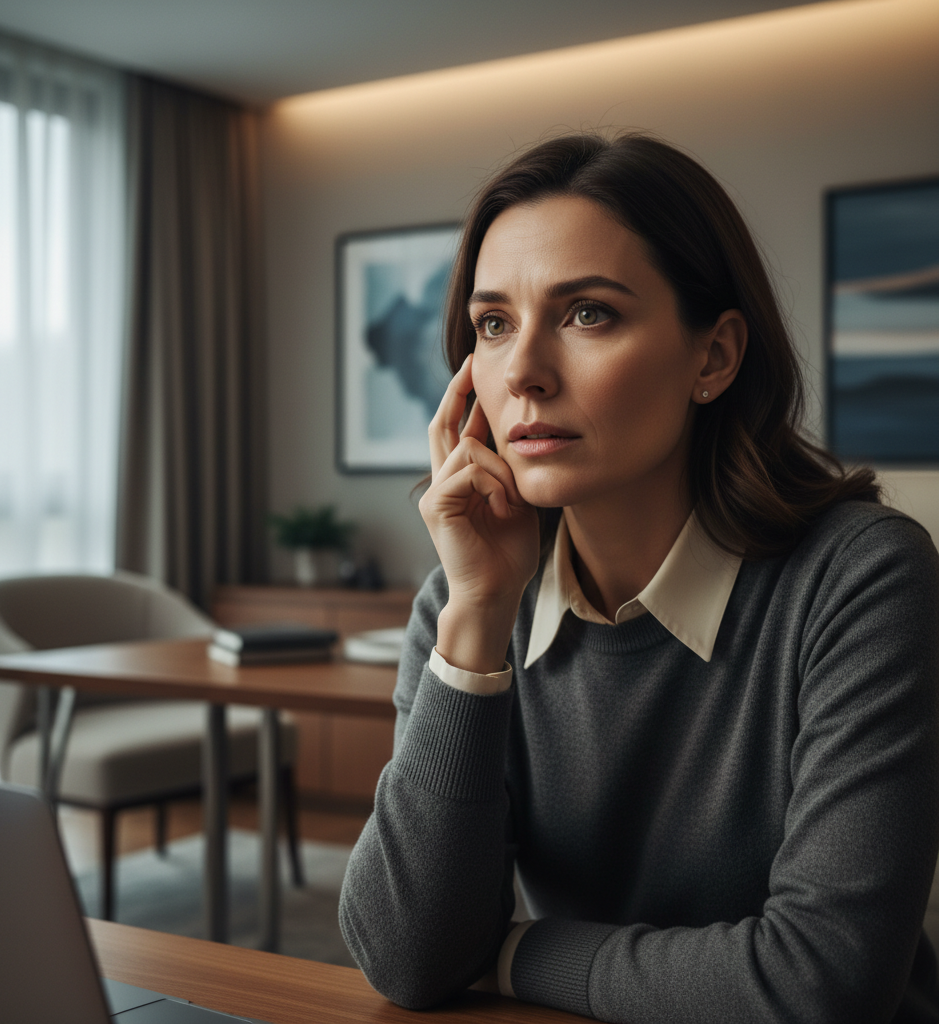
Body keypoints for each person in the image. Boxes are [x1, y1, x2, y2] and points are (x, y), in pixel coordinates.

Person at [338, 132, 939, 1024]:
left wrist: (510, 953)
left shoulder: (861, 579)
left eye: (588, 314)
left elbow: (821, 984)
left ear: (715, 358)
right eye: (494, 324)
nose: (526, 374)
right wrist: (474, 621)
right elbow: (406, 958)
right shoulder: (466, 598)